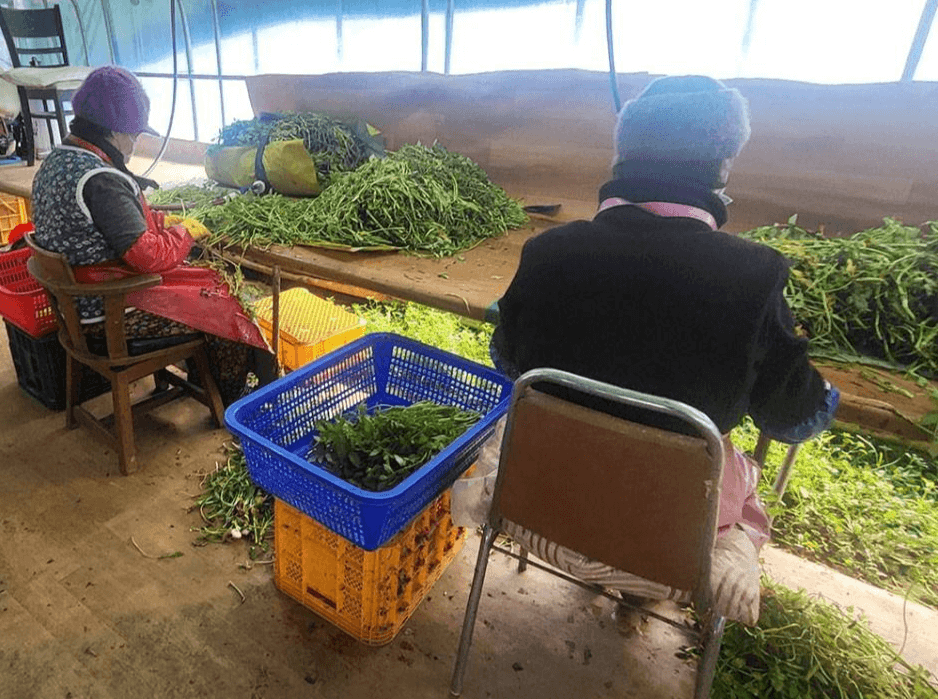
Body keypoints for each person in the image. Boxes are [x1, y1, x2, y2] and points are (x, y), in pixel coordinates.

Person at [454, 75, 840, 626]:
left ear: (622, 156)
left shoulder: (547, 253)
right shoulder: (755, 277)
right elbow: (792, 418)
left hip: (535, 515)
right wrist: (826, 394)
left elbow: (510, 363)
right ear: (724, 165)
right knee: (739, 469)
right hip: (668, 555)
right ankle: (642, 595)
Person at [30, 65, 274, 405]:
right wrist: (183, 233)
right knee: (222, 298)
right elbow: (149, 258)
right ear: (113, 131)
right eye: (133, 133)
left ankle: (207, 376)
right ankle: (233, 395)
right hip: (108, 316)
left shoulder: (59, 160)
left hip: (74, 304)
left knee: (207, 286)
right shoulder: (101, 179)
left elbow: (110, 225)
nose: (134, 142)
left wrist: (160, 221)